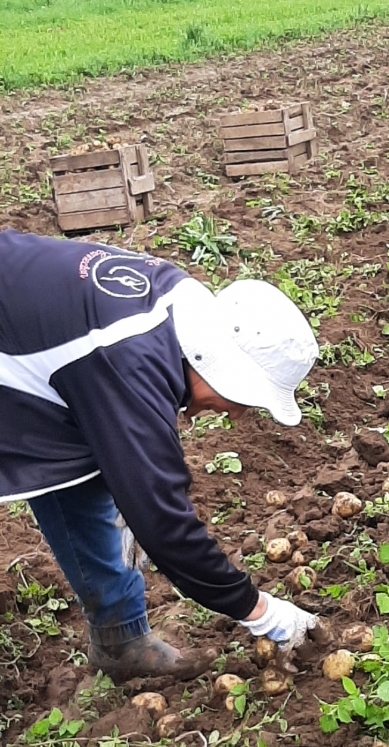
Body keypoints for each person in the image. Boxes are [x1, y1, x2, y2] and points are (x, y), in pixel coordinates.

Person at [0, 230, 324, 682]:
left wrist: (134, 476)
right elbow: (166, 525)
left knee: (87, 454)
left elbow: (124, 432)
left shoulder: (175, 307)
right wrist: (261, 612)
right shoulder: (126, 359)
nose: (233, 414)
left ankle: (120, 640)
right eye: (243, 399)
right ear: (221, 366)